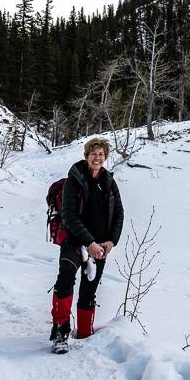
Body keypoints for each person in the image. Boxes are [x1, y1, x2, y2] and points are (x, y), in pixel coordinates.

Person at [50, 137, 124, 353]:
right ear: (86, 156)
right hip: (74, 239)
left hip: (101, 244)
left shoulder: (109, 181)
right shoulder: (75, 179)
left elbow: (119, 212)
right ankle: (60, 332)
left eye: (101, 154)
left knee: (89, 290)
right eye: (94, 154)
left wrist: (111, 240)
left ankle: (84, 334)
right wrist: (88, 242)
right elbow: (69, 216)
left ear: (105, 157)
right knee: (65, 279)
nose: (97, 158)